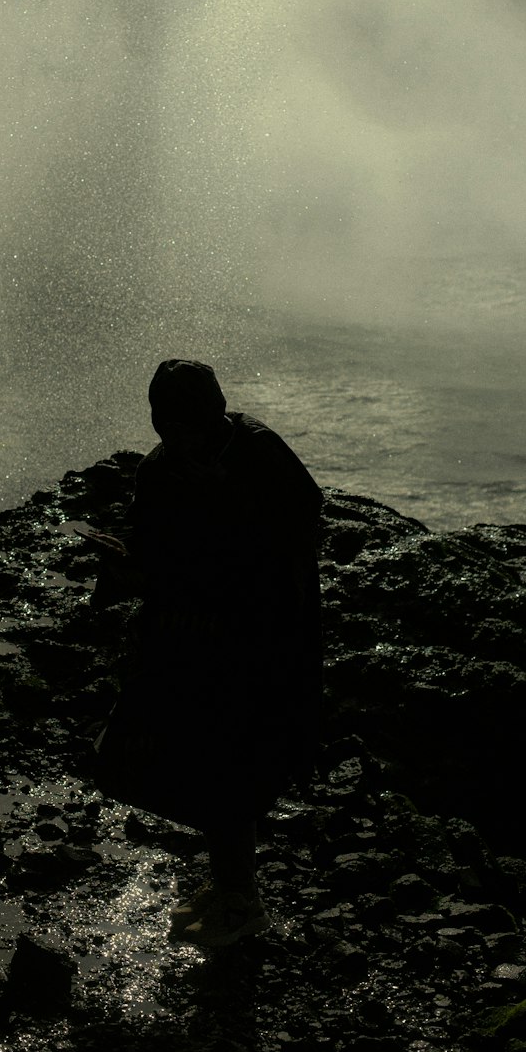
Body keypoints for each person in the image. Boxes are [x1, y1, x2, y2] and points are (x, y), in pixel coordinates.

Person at [89, 358, 323, 948]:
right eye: (166, 428)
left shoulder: (258, 453)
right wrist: (123, 568)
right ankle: (231, 882)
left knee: (231, 761)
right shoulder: (161, 470)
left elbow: (301, 531)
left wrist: (232, 509)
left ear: (216, 414)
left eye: (189, 427)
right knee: (152, 756)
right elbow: (151, 551)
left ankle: (237, 896)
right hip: (188, 633)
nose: (178, 442)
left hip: (258, 637)